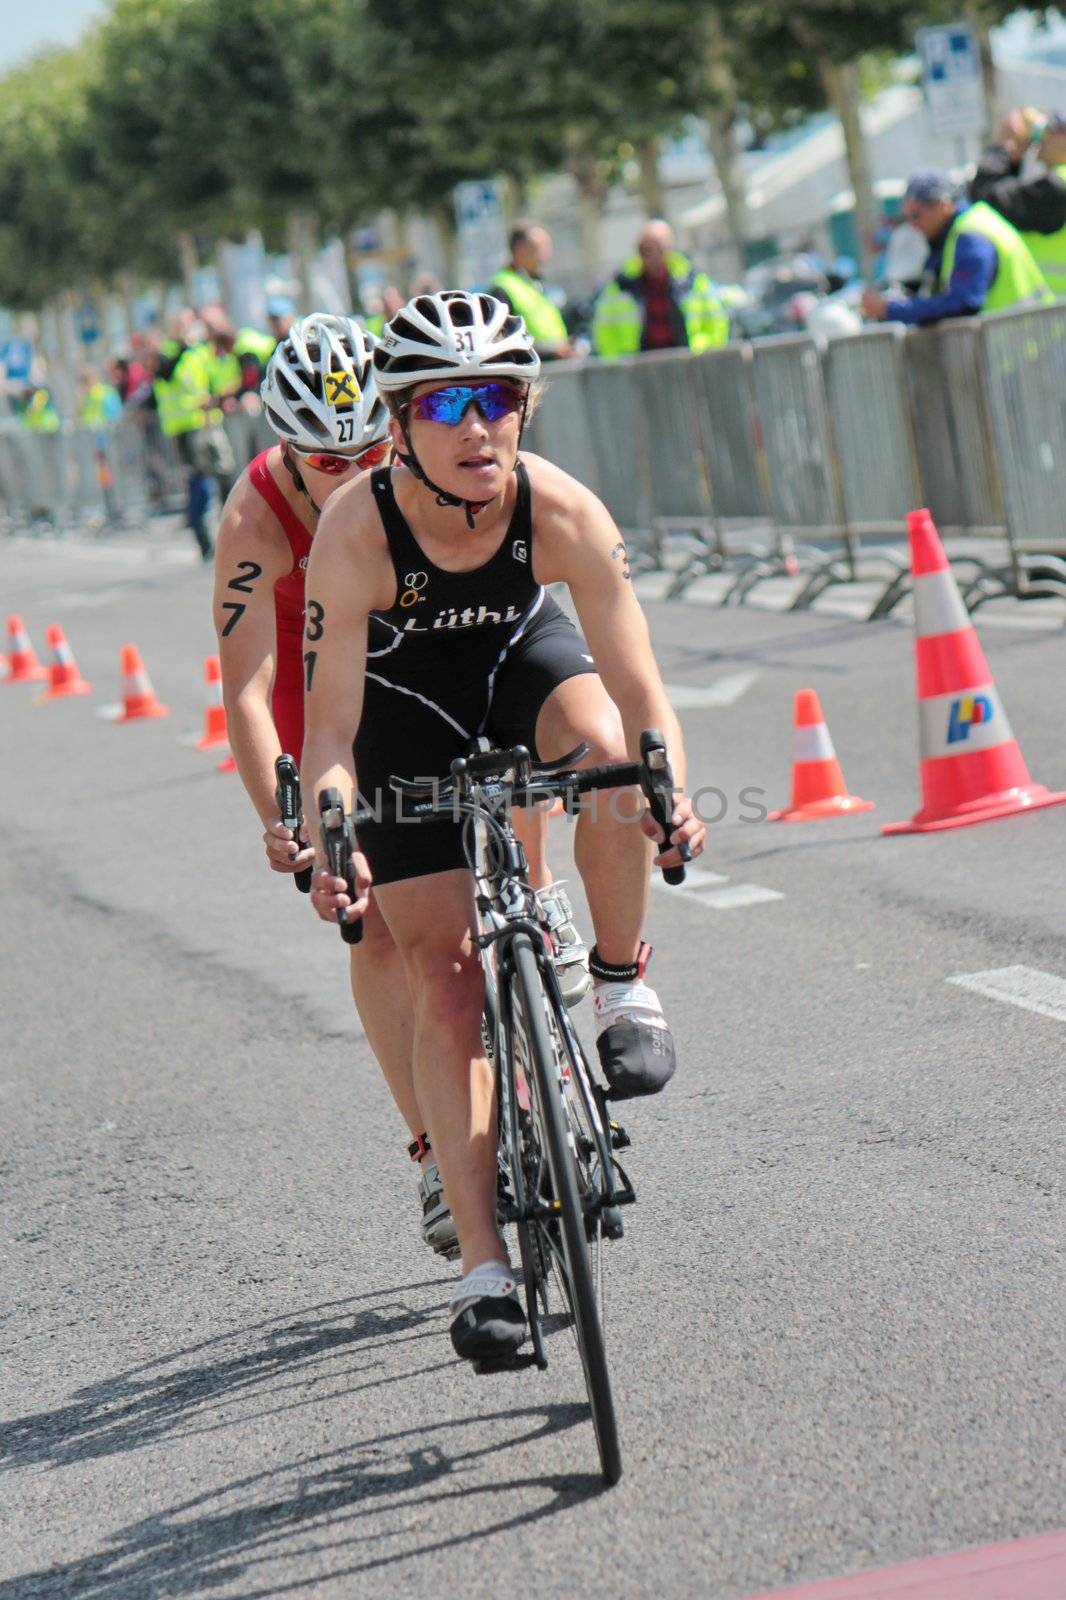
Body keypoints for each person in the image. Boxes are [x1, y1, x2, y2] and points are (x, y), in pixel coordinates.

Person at [301, 291, 705, 1363]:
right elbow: (330, 728)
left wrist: (670, 792)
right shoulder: (354, 531)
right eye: (445, 403)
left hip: (521, 663)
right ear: (398, 426)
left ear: (524, 410)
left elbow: (641, 684)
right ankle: (483, 1274)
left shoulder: (561, 508)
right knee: (442, 980)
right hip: (400, 714)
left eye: (497, 398)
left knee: (609, 759)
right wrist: (331, 836)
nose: (476, 425)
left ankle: (620, 983)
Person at [213, 311, 583, 1265]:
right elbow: (251, 692)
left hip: (421, 635)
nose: (350, 475)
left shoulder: (418, 471)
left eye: (367, 452)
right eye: (323, 464)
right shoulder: (255, 520)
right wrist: (284, 818)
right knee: (374, 918)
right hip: (324, 677)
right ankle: (432, 1147)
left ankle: (539, 894)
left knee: (508, 738)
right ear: (286, 452)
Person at [860, 169, 1051, 328]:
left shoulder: (971, 235)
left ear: (942, 204)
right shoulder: (960, 230)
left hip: (1027, 347)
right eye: (907, 217)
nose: (912, 225)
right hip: (1024, 342)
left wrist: (890, 309)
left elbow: (963, 303)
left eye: (916, 215)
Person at [151, 314, 235, 560]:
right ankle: (205, 543)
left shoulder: (202, 352)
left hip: (207, 424)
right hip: (184, 428)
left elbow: (222, 377)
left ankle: (232, 537)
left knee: (225, 478)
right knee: (198, 485)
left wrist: (218, 398)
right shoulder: (168, 352)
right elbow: (163, 373)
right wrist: (182, 345)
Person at [591, 219, 729, 357]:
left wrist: (702, 352)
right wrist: (619, 361)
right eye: (643, 248)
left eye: (654, 247)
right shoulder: (621, 286)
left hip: (687, 364)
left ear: (668, 247)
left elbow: (717, 323)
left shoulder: (692, 282)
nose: (648, 254)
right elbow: (602, 331)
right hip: (639, 368)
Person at [970, 108, 1066, 297]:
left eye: (1052, 130)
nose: (1041, 139)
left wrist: (1005, 148)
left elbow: (987, 198)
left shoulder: (1057, 188)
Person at [490, 221, 575, 360]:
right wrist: (549, 352)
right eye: (537, 248)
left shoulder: (534, 283)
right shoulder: (502, 287)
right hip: (531, 371)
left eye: (547, 248)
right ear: (518, 251)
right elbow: (502, 342)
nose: (545, 255)